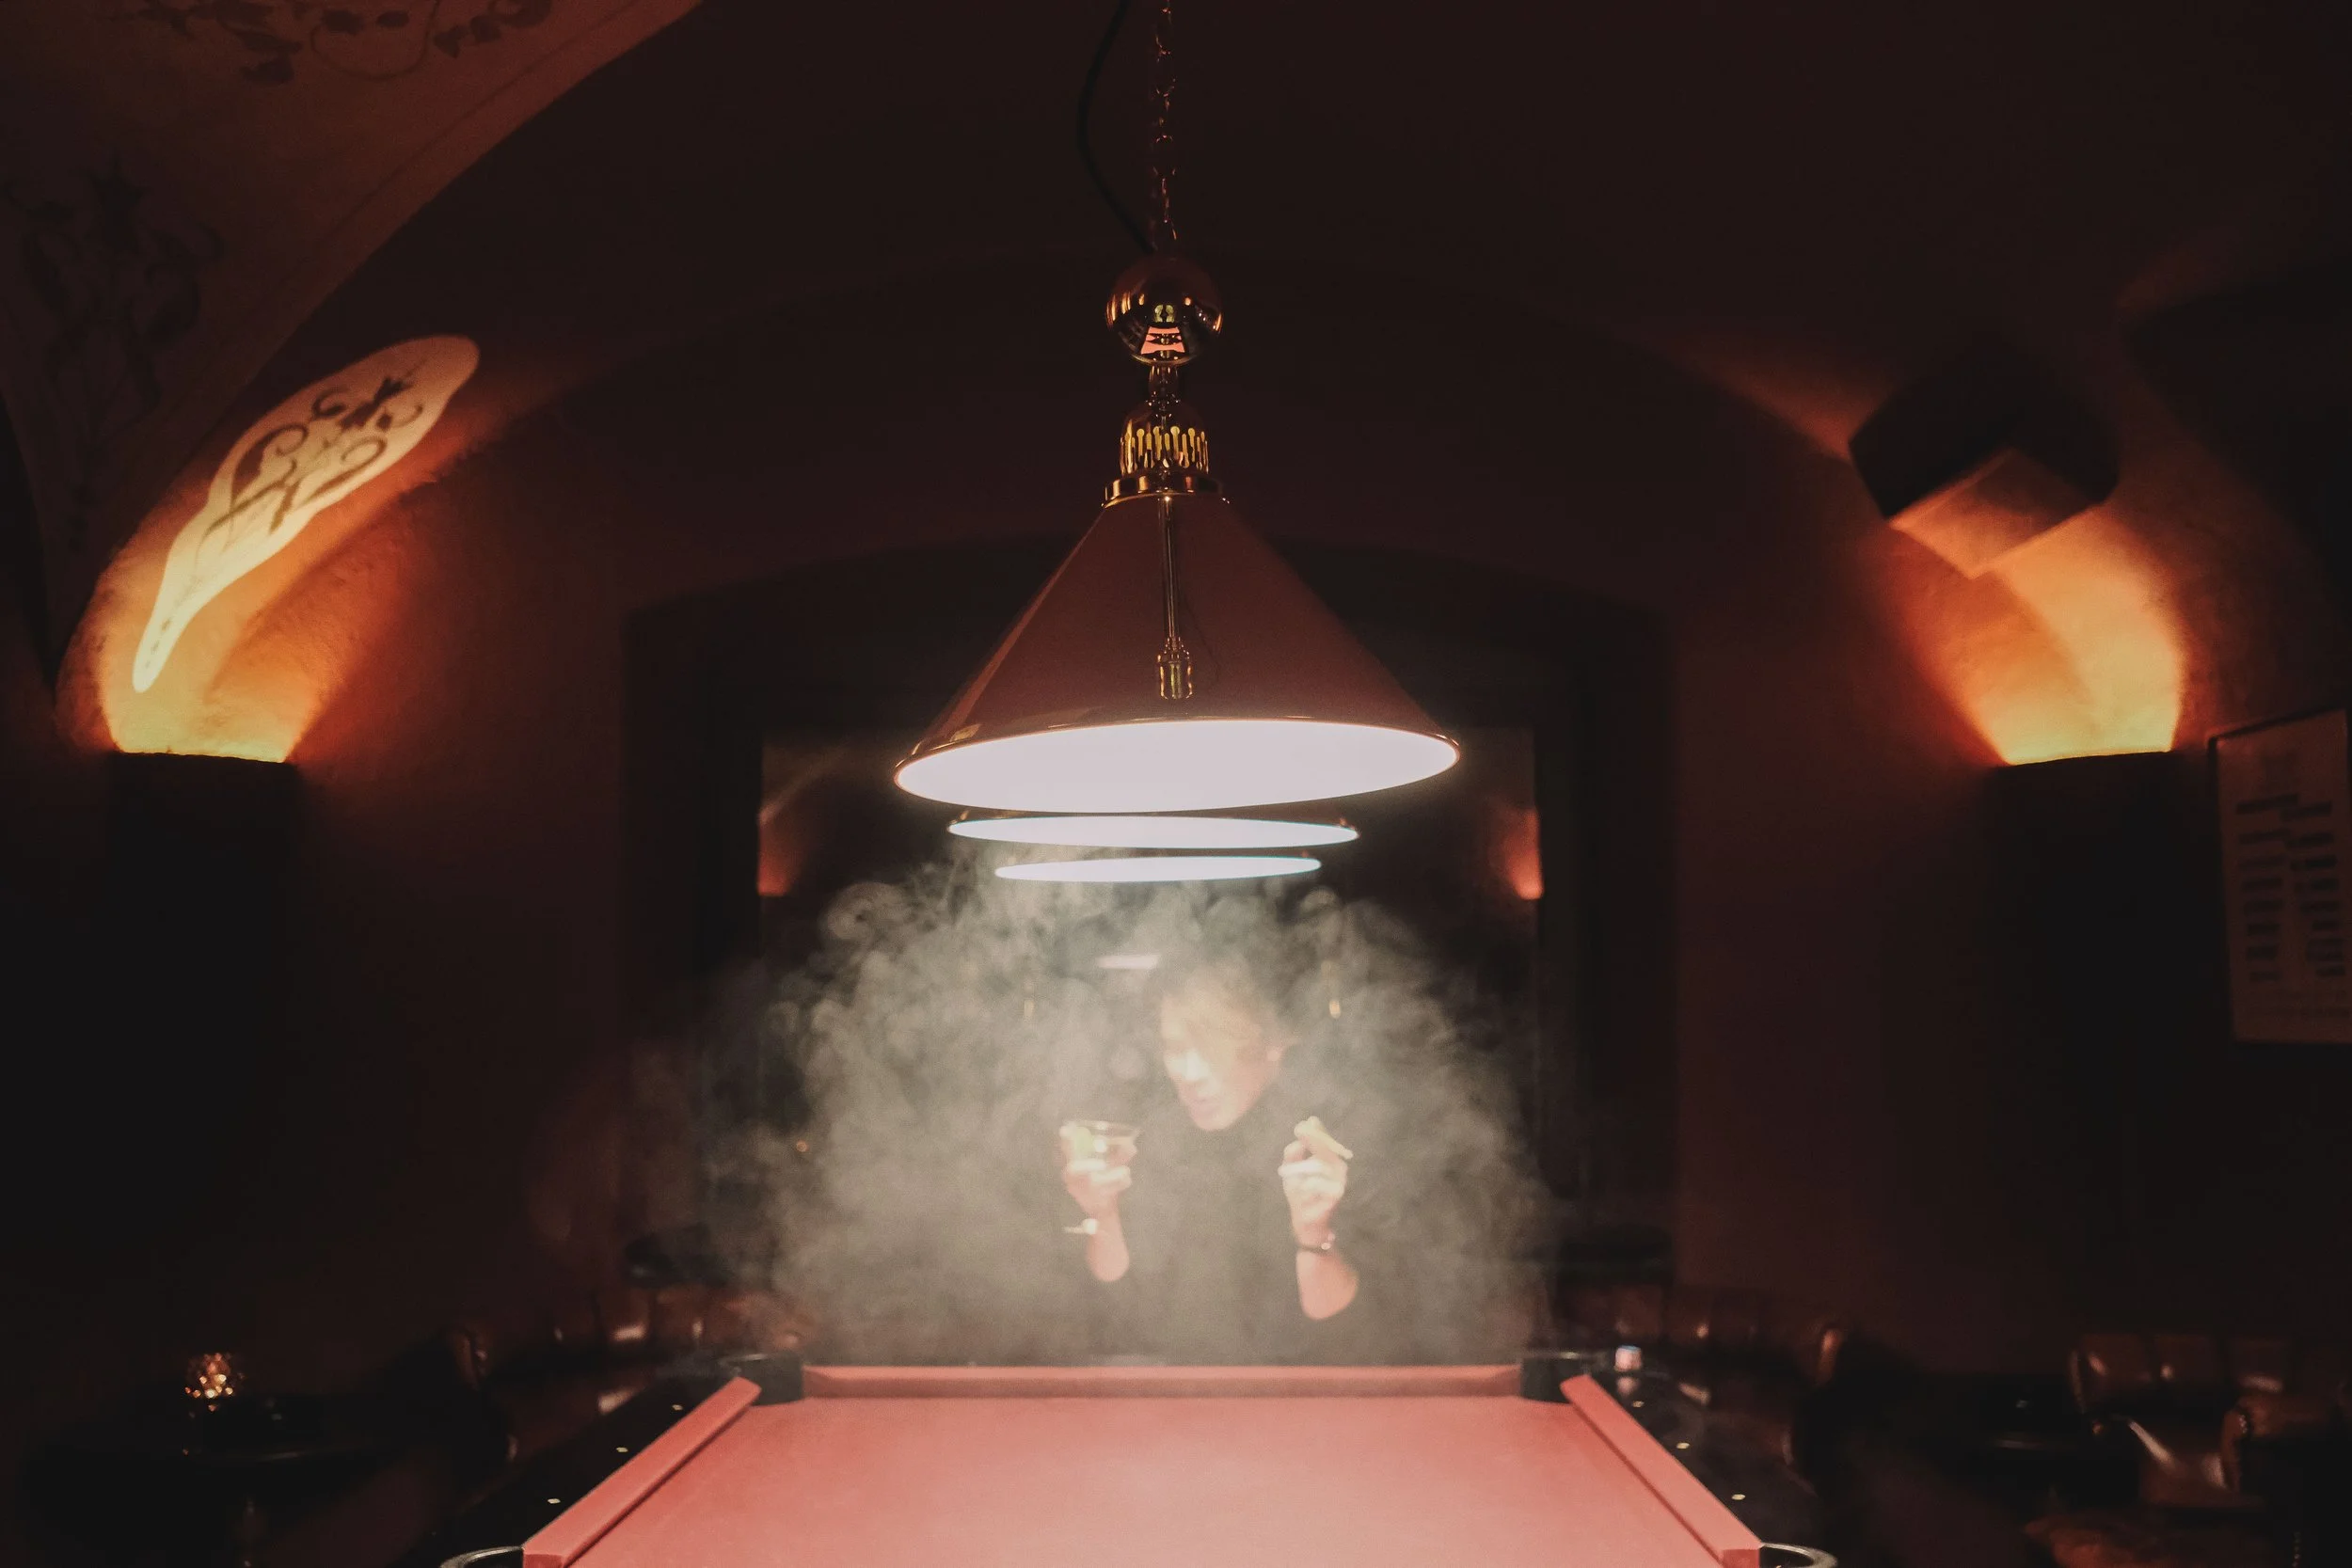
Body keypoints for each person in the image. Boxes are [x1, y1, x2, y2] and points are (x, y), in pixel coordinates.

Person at [1059, 964, 1374, 1361]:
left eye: (1213, 1048)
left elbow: (1342, 1329)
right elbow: (1121, 1300)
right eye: (1175, 1048)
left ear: (1273, 1046)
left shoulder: (1326, 1148)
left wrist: (1314, 1231)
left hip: (1294, 1397)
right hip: (1166, 1394)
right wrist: (1102, 1217)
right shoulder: (1155, 1140)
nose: (1190, 1073)